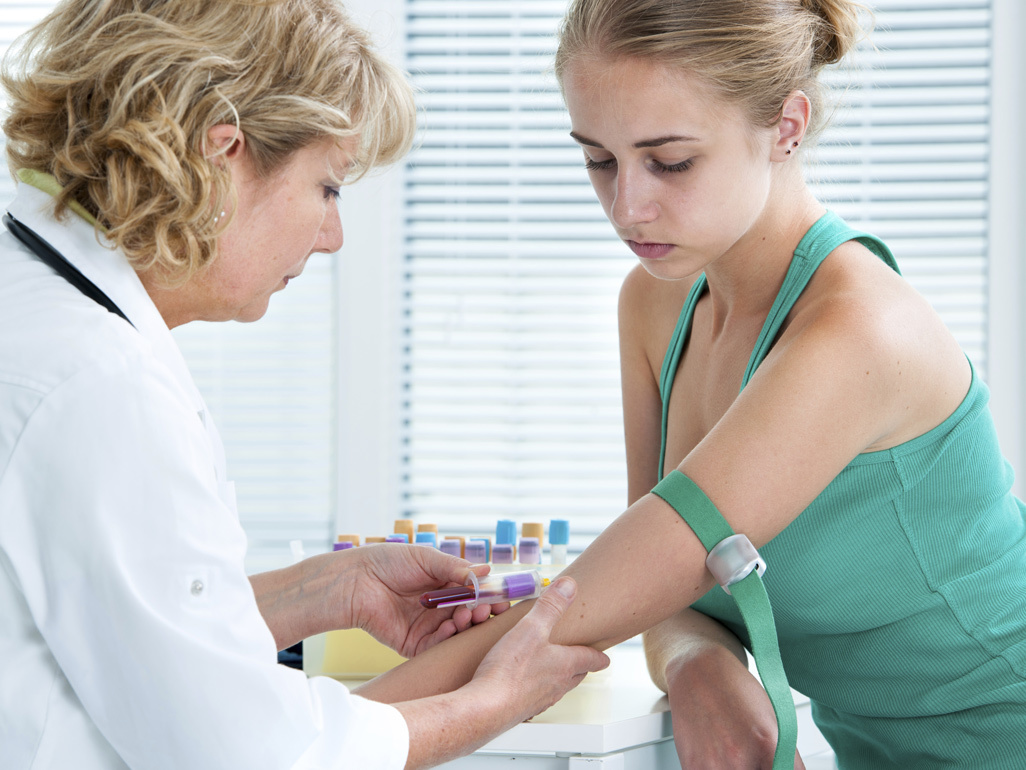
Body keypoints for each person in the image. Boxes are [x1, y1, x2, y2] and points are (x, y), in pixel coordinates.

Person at [353, 1, 1026, 768]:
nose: (626, 207)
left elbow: (582, 611)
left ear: (787, 127)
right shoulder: (655, 302)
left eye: (670, 162)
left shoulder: (857, 334)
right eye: (599, 160)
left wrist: (297, 739)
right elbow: (658, 592)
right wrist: (696, 662)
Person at [0, 1, 610, 768]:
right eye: (328, 187)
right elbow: (250, 756)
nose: (333, 237)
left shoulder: (35, 310)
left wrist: (331, 588)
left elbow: (113, 631)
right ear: (222, 153)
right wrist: (492, 703)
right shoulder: (100, 388)